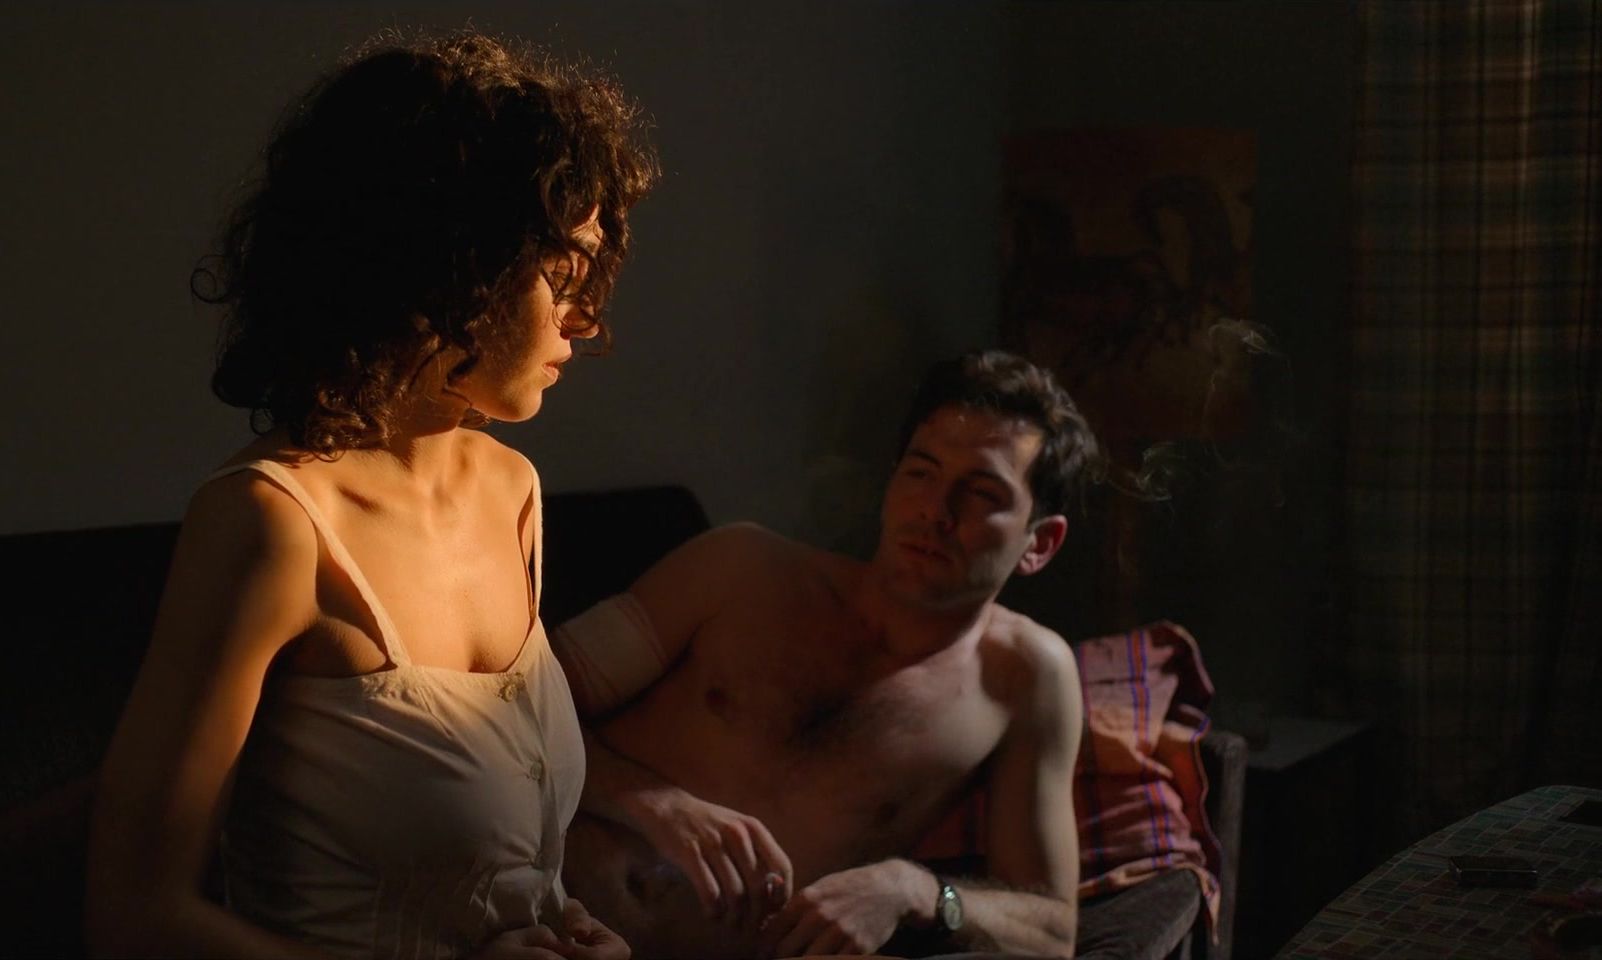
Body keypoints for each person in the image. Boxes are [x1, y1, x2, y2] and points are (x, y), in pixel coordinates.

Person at [86, 31, 656, 960]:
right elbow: (133, 919)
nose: (587, 318)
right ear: (449, 264)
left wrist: (560, 923)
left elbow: (485, 863)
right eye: (560, 273)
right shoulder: (272, 525)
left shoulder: (511, 491)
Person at [553, 350, 1095, 959]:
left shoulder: (1025, 677)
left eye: (981, 494)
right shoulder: (739, 568)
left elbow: (1052, 932)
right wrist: (652, 803)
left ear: (1040, 544)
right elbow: (507, 703)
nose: (934, 512)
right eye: (921, 472)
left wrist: (915, 889)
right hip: (538, 917)